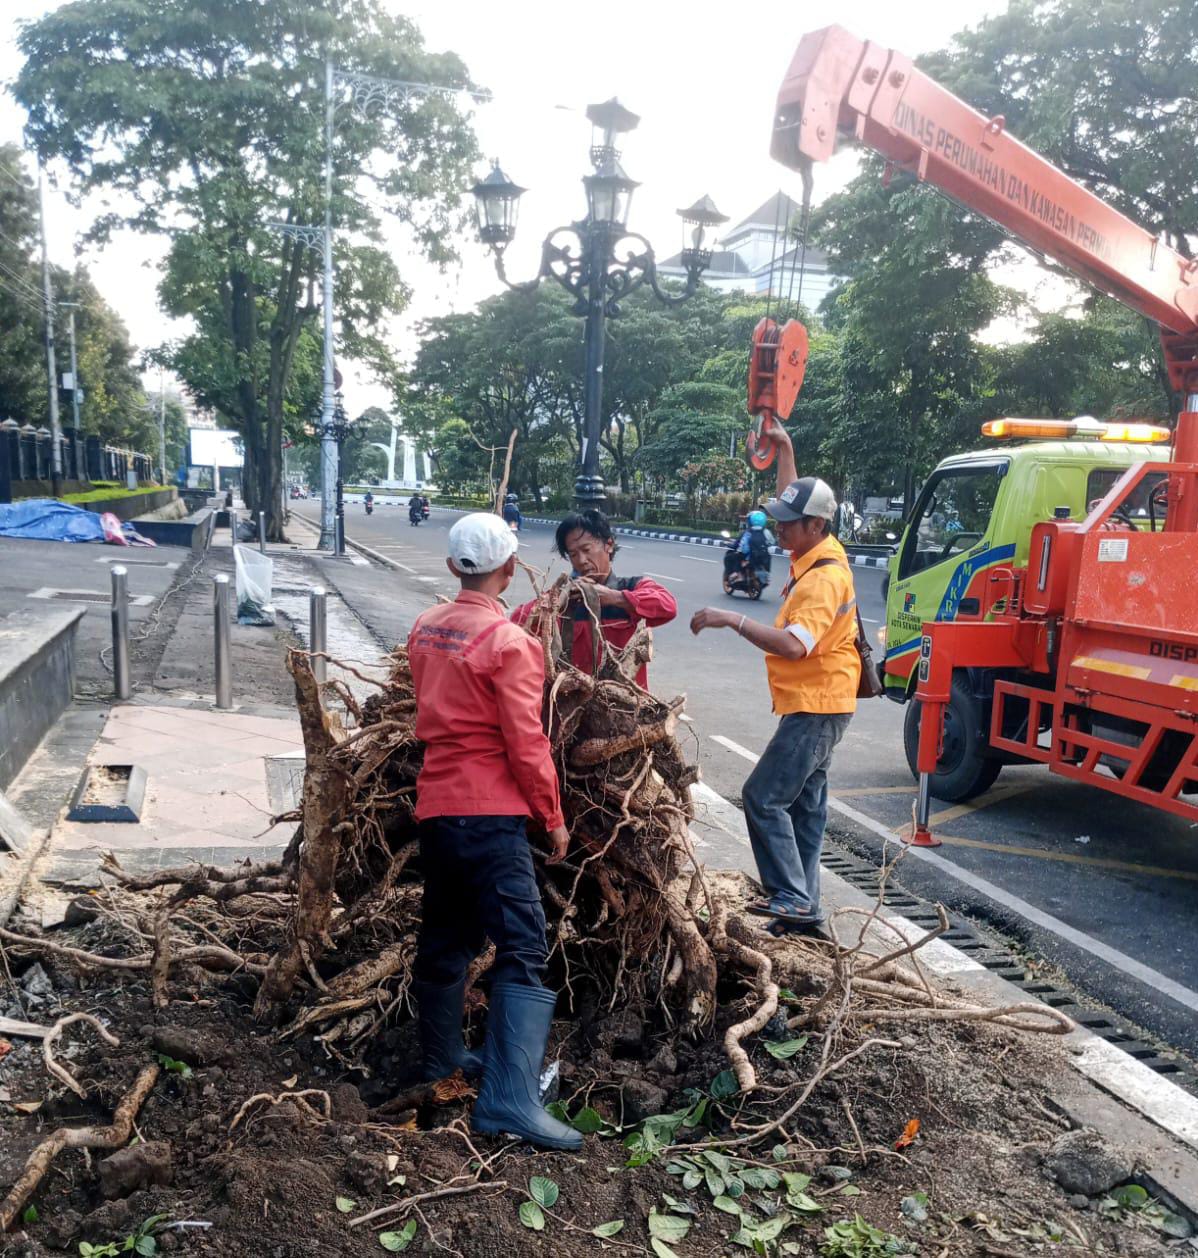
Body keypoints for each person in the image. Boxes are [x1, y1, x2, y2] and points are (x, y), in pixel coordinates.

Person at [407, 512, 581, 1152]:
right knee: (524, 944)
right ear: (509, 569)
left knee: (448, 933)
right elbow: (526, 742)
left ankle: (442, 1062)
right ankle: (509, 1102)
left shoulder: (426, 629)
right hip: (489, 815)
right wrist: (553, 817)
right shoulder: (511, 644)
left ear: (455, 567)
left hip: (437, 811)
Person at [691, 422, 859, 930]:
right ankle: (804, 909)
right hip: (825, 702)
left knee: (763, 797)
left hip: (816, 707)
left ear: (814, 526)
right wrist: (785, 448)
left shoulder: (822, 579)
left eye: (788, 522)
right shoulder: (818, 551)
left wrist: (732, 619)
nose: (778, 528)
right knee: (805, 810)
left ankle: (790, 896)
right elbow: (799, 499)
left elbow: (793, 645)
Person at [511, 508, 677, 689]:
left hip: (624, 706)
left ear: (609, 545)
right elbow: (518, 620)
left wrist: (615, 597)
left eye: (586, 549)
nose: (581, 560)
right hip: (574, 704)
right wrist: (556, 601)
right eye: (573, 554)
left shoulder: (630, 587)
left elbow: (667, 606)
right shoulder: (566, 597)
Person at [724, 509, 775, 589]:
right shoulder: (766, 532)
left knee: (730, 557)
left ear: (751, 521)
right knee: (769, 556)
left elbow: (741, 546)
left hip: (750, 558)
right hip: (762, 558)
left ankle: (738, 574)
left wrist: (732, 546)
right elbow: (772, 542)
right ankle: (767, 574)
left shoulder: (747, 532)